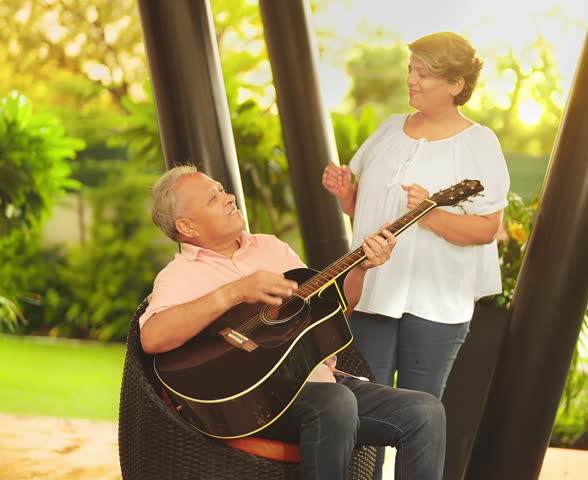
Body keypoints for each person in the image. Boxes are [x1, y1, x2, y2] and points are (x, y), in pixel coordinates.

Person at [139, 165, 446, 480]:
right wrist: (233, 292)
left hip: (320, 383)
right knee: (335, 402)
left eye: (222, 189)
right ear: (187, 226)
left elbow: (328, 316)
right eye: (213, 198)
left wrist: (361, 269)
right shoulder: (181, 274)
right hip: (256, 403)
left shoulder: (269, 246)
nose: (229, 197)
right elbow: (152, 338)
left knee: (424, 411)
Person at [322, 32, 509, 403]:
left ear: (456, 83)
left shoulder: (480, 142)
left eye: (423, 73)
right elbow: (367, 211)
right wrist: (347, 194)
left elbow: (488, 229)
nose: (411, 80)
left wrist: (428, 215)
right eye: (411, 70)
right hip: (372, 293)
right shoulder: (390, 128)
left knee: (418, 416)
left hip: (436, 305)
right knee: (363, 412)